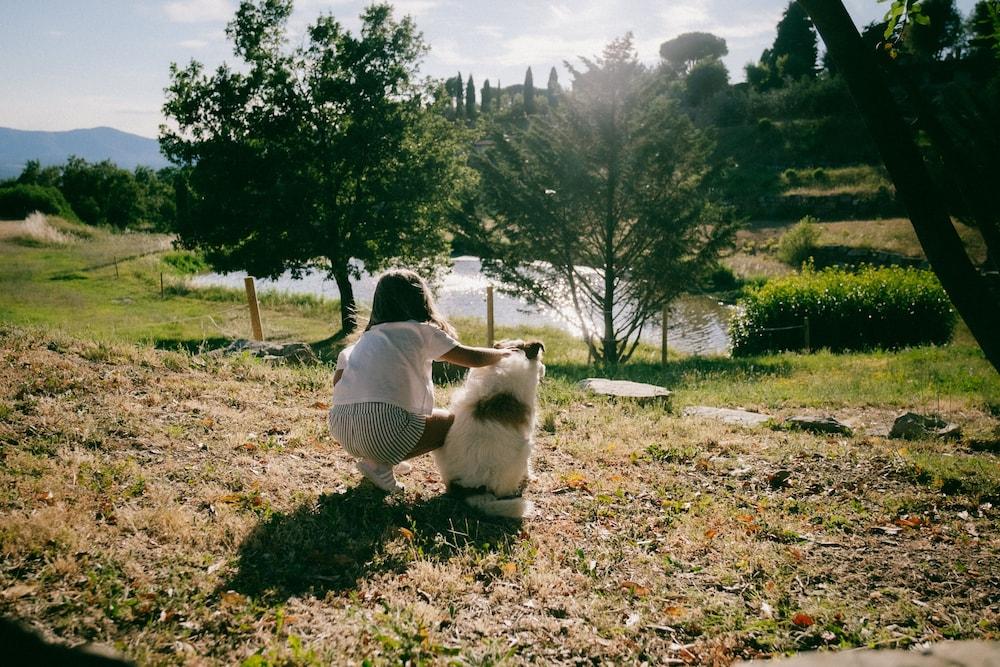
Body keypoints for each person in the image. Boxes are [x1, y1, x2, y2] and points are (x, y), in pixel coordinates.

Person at [329, 268, 510, 494]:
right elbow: (471, 358)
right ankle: (381, 463)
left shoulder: (363, 341)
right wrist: (504, 354)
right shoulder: (421, 332)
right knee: (451, 422)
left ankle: (381, 455)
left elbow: (338, 383)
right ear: (421, 299)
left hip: (341, 427)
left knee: (391, 419)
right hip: (381, 431)